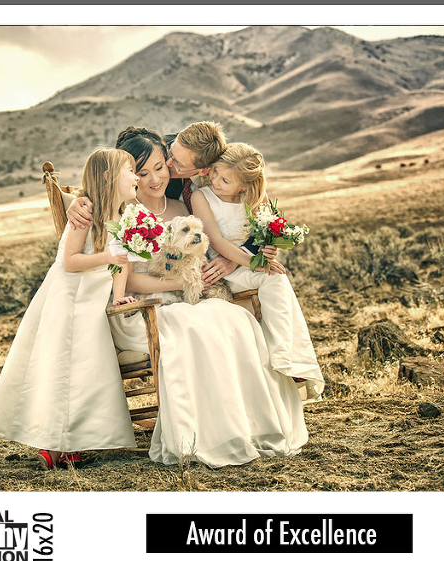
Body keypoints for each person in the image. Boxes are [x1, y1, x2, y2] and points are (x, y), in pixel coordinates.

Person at [108, 127, 308, 468]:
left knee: (235, 318)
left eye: (161, 167)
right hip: (146, 307)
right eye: (142, 172)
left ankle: (244, 427)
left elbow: (228, 226)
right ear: (129, 174)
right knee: (196, 327)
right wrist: (179, 282)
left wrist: (238, 258)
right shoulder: (124, 213)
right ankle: (200, 434)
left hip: (188, 299)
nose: (156, 178)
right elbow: (126, 278)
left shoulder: (181, 205)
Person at [0, 148, 139, 470]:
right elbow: (70, 261)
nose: (136, 177)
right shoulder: (86, 211)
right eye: (131, 170)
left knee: (86, 371)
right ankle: (53, 443)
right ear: (108, 176)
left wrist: (119, 296)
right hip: (71, 296)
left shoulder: (124, 217)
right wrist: (107, 258)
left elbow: (124, 263)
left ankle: (74, 440)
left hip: (94, 297)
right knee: (61, 369)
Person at [190, 142, 324, 398]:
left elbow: (267, 235)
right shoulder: (202, 196)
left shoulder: (256, 199)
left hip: (245, 265)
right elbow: (216, 241)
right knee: (270, 275)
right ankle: (290, 358)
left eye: (225, 180)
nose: (215, 181)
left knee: (277, 278)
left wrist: (269, 252)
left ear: (243, 186)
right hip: (220, 271)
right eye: (215, 172)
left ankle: (285, 355)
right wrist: (255, 263)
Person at [68, 121, 239, 284]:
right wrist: (81, 199)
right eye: (142, 174)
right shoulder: (159, 149)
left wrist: (234, 259)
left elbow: (252, 202)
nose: (169, 163)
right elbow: (112, 170)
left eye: (161, 167)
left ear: (204, 170)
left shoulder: (222, 166)